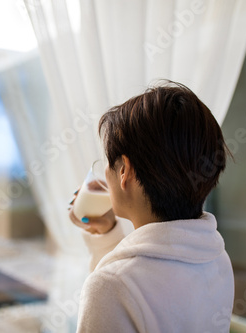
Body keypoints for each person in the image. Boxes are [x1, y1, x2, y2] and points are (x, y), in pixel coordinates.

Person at [69, 81, 235, 332]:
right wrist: (107, 236)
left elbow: (127, 285)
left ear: (124, 171)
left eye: (108, 161)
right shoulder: (218, 259)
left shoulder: (110, 286)